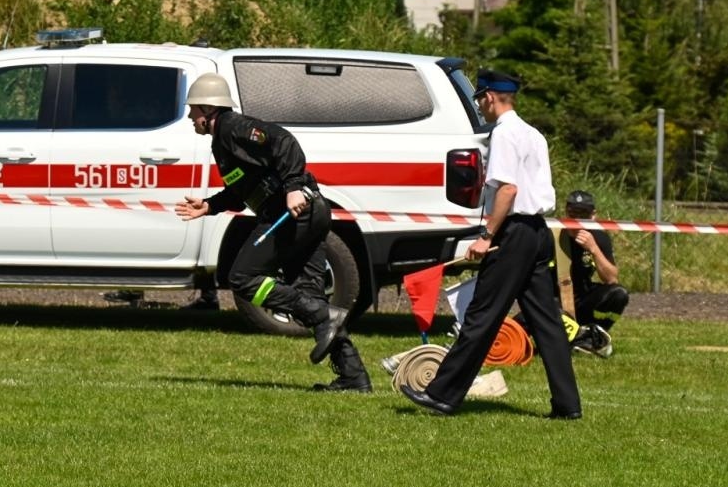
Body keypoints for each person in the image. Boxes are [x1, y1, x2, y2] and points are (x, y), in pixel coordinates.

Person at [398, 69, 581, 418]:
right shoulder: (533, 134)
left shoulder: (504, 135)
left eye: (480, 98)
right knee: (547, 322)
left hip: (513, 234)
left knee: (482, 315)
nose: (480, 106)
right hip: (538, 232)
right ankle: (567, 405)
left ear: (490, 97)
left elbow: (508, 190)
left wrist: (486, 237)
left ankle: (442, 395)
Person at [173, 73, 370, 392]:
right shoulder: (222, 141)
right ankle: (354, 377)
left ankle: (322, 314)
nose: (189, 117)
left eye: (193, 109)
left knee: (242, 279)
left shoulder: (235, 128)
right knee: (312, 301)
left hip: (294, 214)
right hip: (305, 215)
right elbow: (241, 189)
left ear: (210, 110)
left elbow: (283, 142)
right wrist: (209, 206)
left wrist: (293, 187)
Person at [560, 189, 628, 358]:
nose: (576, 219)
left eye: (582, 214)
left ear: (593, 216)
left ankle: (592, 335)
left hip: (582, 298)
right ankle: (577, 338)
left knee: (618, 294)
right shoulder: (553, 234)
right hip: (555, 301)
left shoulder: (598, 237)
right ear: (565, 212)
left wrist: (594, 249)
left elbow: (611, 278)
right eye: (572, 213)